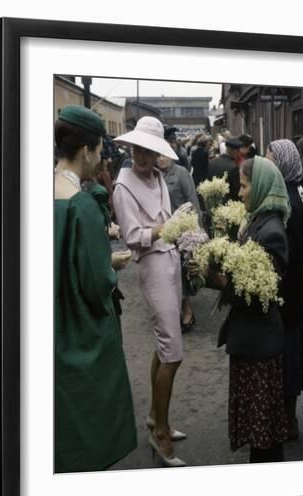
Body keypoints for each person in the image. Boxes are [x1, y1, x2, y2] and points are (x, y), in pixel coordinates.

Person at [54, 105, 136, 473]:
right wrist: (111, 265)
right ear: (86, 150)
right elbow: (95, 282)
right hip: (78, 327)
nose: (101, 157)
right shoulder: (81, 206)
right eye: (100, 149)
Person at [193, 156, 290, 463]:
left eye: (245, 186)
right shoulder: (257, 220)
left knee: (265, 437)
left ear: (260, 186)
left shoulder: (271, 231)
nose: (240, 193)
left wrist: (220, 280)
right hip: (252, 340)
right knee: (260, 430)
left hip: (259, 342)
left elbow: (263, 292)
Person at [113, 116, 190, 467]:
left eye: (149, 149)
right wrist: (164, 228)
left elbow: (169, 224)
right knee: (173, 352)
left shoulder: (159, 177)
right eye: (137, 148)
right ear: (130, 147)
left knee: (166, 344)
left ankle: (157, 419)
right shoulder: (122, 186)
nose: (142, 156)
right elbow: (132, 237)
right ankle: (158, 431)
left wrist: (184, 234)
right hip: (152, 264)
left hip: (171, 259)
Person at [267, 139, 303, 439]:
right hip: (288, 292)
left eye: (270, 159)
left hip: (289, 293)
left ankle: (289, 421)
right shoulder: (286, 196)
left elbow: (288, 255)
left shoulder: (290, 203)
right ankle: (285, 417)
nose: (267, 163)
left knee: (290, 356)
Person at [156, 153, 201, 332]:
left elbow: (193, 201)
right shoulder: (155, 175)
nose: (160, 159)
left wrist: (196, 229)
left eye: (164, 156)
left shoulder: (181, 173)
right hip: (162, 231)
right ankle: (174, 310)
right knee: (168, 272)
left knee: (182, 270)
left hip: (182, 230)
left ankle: (187, 310)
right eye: (157, 156)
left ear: (171, 157)